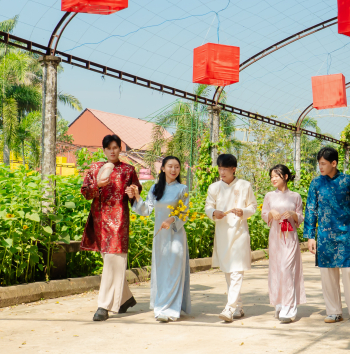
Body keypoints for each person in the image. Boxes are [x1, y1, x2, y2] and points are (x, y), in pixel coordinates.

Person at [81, 134, 142, 322]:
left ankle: (104, 306)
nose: (112, 151)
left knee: (113, 261)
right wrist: (97, 185)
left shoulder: (128, 170)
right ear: (104, 150)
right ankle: (125, 299)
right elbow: (86, 192)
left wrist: (133, 192)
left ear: (120, 149)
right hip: (99, 221)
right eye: (109, 148)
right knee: (111, 262)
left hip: (118, 222)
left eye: (115, 147)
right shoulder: (95, 168)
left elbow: (136, 192)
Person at [304, 146, 350, 324]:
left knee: (349, 273)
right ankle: (333, 311)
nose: (320, 167)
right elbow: (311, 209)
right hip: (324, 236)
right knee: (327, 274)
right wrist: (310, 236)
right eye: (319, 164)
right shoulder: (316, 183)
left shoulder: (348, 181)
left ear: (334, 163)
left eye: (323, 163)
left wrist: (347, 220)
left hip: (346, 235)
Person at [132, 156, 190, 323]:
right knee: (162, 271)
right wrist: (137, 197)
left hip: (176, 234)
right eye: (170, 166)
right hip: (160, 238)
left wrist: (172, 219)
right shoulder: (155, 188)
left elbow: (184, 213)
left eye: (177, 167)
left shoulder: (182, 189)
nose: (174, 170)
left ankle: (170, 309)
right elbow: (146, 210)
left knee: (174, 271)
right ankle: (162, 307)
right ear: (163, 168)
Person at [204, 153, 257, 323]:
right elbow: (208, 206)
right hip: (223, 233)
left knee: (236, 271)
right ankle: (238, 307)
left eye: (225, 169)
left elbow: (253, 206)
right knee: (228, 271)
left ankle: (229, 308)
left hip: (240, 233)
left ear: (234, 169)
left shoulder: (245, 185)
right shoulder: (214, 187)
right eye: (220, 169)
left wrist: (244, 212)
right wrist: (214, 212)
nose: (222, 172)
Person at [261, 164, 306, 323]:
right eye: (271, 176)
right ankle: (279, 303)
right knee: (276, 270)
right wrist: (270, 213)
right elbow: (264, 214)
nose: (273, 179)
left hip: (290, 237)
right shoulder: (269, 196)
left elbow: (301, 218)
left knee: (287, 269)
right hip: (275, 238)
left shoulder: (295, 196)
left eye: (276, 176)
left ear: (285, 177)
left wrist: (293, 214)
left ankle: (289, 308)